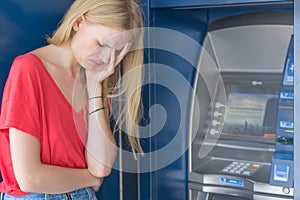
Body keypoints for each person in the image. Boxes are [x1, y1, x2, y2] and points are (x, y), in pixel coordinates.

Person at [0, 0, 144, 199]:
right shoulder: (28, 69)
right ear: (78, 22)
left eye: (117, 52)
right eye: (101, 44)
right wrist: (89, 179)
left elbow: (100, 167)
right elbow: (30, 177)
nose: (106, 58)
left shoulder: (97, 78)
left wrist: (94, 88)